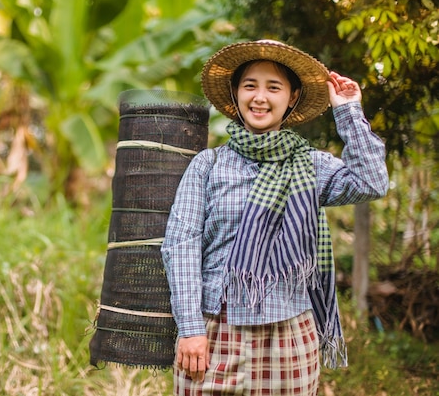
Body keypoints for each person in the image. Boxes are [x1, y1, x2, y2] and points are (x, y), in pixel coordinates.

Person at [160, 40, 389, 395]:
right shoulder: (209, 165)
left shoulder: (311, 165)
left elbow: (371, 182)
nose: (260, 97)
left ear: (292, 97)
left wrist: (347, 111)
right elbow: (181, 245)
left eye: (274, 87)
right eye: (250, 85)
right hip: (214, 331)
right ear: (236, 95)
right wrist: (190, 328)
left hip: (289, 333)